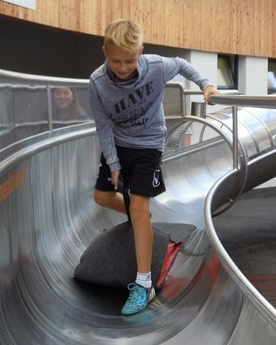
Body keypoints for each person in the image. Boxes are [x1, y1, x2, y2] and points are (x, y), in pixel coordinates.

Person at [89, 19, 220, 315]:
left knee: (137, 207)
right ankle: (142, 216)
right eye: (115, 61)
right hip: (118, 144)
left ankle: (143, 284)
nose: (123, 68)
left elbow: (183, 66)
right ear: (105, 53)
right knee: (102, 197)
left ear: (140, 53)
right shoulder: (97, 82)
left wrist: (206, 85)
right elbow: (103, 125)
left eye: (129, 60)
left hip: (148, 145)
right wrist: (113, 163)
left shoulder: (157, 66)